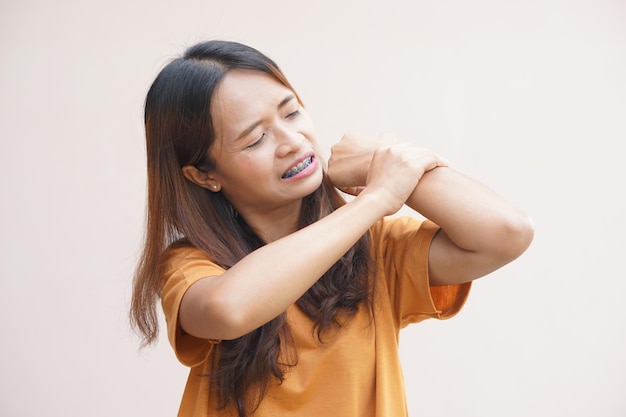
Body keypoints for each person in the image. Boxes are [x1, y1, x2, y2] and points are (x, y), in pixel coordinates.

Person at [130, 40, 534, 417]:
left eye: (291, 112)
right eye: (256, 140)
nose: (292, 141)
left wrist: (382, 159)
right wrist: (377, 198)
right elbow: (228, 309)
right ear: (203, 175)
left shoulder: (376, 248)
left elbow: (508, 232)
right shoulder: (191, 265)